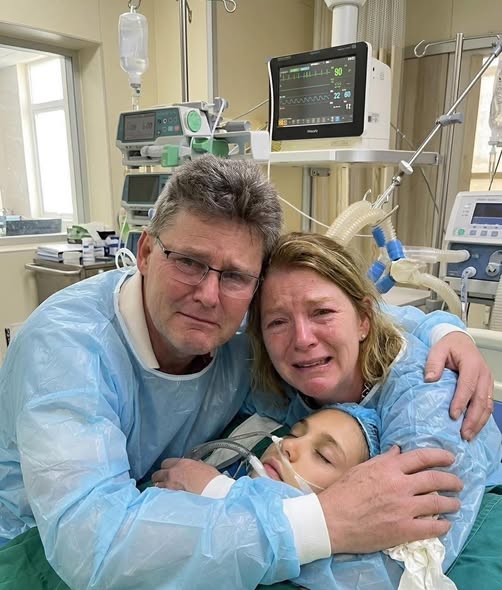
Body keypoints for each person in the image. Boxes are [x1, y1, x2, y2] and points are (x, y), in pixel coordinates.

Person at [0, 156, 495, 590]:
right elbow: (92, 544)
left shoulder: (244, 326)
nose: (208, 295)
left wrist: (445, 328)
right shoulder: (66, 349)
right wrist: (320, 521)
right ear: (146, 253)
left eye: (236, 275)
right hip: (34, 551)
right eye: (189, 262)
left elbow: (352, 319)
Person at [153, 232, 502, 589]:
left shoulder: (428, 406)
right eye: (277, 322)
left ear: (363, 321)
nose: (303, 339)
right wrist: (443, 326)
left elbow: (401, 571)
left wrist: (223, 498)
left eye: (321, 312)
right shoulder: (274, 380)